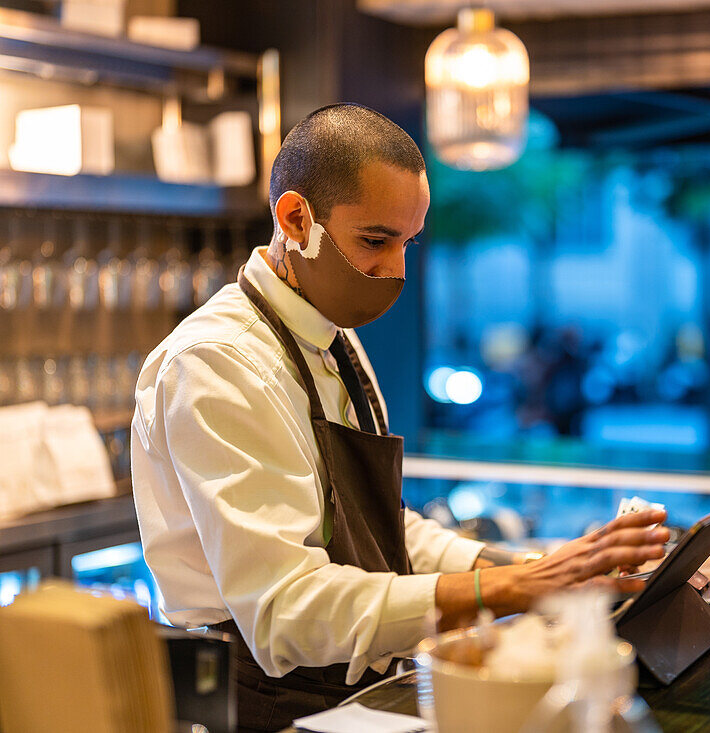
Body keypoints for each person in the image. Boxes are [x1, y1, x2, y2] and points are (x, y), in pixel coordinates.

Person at [130, 103, 668, 732]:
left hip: (356, 692)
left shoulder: (332, 339)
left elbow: (381, 530)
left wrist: (534, 569)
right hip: (259, 703)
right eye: (376, 241)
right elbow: (284, 613)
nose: (397, 271)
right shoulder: (215, 364)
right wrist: (502, 591)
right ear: (295, 218)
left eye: (408, 243)